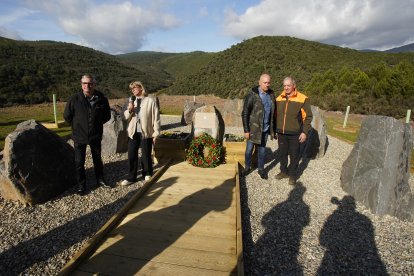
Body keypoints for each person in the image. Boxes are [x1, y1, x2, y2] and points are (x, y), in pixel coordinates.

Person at [64, 74, 111, 195]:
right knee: (79, 162)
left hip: (95, 135)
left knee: (97, 159)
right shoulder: (74, 99)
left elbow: (107, 116)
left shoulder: (101, 98)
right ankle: (81, 185)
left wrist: (95, 124)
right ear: (81, 84)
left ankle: (100, 180)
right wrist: (77, 126)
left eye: (90, 83)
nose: (87, 86)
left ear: (94, 84)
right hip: (79, 136)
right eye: (84, 83)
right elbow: (67, 116)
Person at [120, 81, 160, 186]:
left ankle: (147, 173)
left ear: (141, 88)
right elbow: (124, 117)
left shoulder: (150, 101)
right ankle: (131, 177)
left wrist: (156, 133)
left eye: (134, 87)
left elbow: (156, 118)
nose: (132, 90)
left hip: (145, 131)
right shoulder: (130, 101)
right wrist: (129, 110)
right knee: (132, 155)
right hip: (133, 132)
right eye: (131, 88)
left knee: (146, 154)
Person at [275, 76, 313, 185]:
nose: (286, 88)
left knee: (294, 155)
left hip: (295, 134)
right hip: (281, 133)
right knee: (282, 154)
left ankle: (292, 175)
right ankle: (283, 172)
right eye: (285, 85)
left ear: (294, 86)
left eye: (289, 85)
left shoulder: (303, 98)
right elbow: (275, 115)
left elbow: (308, 117)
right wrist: (274, 130)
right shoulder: (279, 98)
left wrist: (304, 132)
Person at [241, 73, 276, 179]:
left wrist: (273, 129)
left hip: (265, 129)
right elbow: (245, 113)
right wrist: (246, 130)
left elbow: (274, 113)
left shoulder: (271, 94)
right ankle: (247, 167)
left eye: (268, 82)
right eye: (265, 82)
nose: (267, 85)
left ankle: (261, 169)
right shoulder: (252, 94)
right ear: (259, 82)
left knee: (262, 151)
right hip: (253, 129)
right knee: (249, 150)